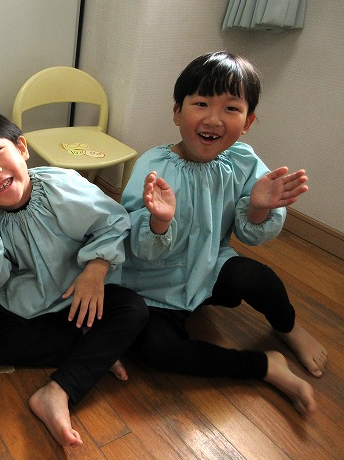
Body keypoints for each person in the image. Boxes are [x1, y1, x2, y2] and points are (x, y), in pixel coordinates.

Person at [121, 52, 327, 416]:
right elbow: (133, 241)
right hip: (152, 286)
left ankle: (288, 328)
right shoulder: (153, 166)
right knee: (156, 350)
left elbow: (251, 234)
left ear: (248, 122)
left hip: (208, 268)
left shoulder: (243, 162)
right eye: (201, 103)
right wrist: (159, 222)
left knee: (257, 277)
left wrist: (258, 207)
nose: (214, 119)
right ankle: (264, 366)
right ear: (177, 112)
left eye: (231, 108)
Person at [0, 106, 148, 447]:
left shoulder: (62, 186)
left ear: (21, 148)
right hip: (23, 305)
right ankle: (95, 352)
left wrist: (96, 269)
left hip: (78, 294)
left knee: (133, 309)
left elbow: (112, 222)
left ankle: (59, 389)